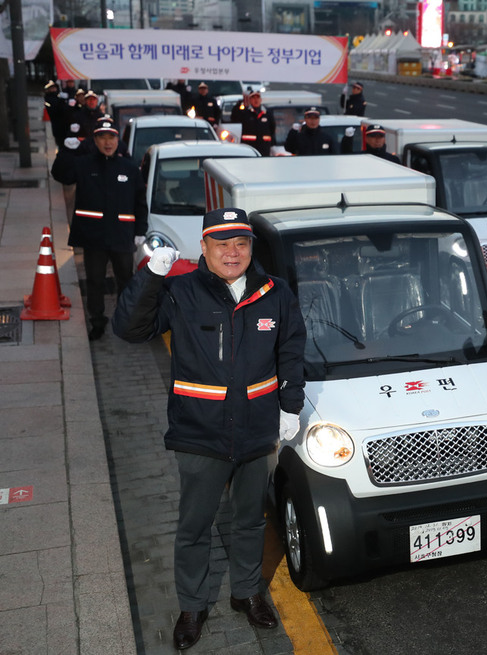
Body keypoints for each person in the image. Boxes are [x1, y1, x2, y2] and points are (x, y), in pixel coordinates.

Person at [111, 208, 306, 651]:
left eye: (241, 243)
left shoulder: (276, 294)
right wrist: (150, 274)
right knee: (194, 526)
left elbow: (292, 351)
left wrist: (289, 408)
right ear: (203, 247)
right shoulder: (181, 290)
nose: (232, 252)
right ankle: (193, 604)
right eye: (221, 243)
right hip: (199, 433)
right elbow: (129, 328)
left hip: (258, 431)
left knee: (249, 520)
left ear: (251, 248)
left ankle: (246, 592)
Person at [50, 118, 147, 340]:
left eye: (111, 137)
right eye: (102, 137)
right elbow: (59, 174)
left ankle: (125, 321)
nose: (107, 142)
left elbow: (140, 202)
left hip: (122, 236)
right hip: (94, 237)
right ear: (95, 140)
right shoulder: (84, 164)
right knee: (95, 281)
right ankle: (97, 322)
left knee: (126, 280)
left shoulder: (130, 168)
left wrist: (141, 229)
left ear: (117, 140)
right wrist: (66, 150)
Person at [238, 90, 275, 156]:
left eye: (257, 97)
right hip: (249, 147)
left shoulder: (267, 113)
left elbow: (272, 128)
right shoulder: (245, 113)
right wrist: (240, 104)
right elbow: (235, 117)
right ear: (250, 100)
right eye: (253, 98)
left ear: (260, 99)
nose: (256, 100)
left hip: (264, 147)